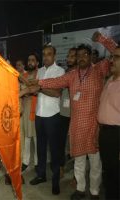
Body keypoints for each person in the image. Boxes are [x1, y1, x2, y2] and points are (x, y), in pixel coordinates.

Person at [30, 32, 117, 200]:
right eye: (79, 55)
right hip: (76, 125)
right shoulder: (71, 75)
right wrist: (39, 82)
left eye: (85, 54)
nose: (82, 57)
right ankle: (80, 189)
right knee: (78, 159)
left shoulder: (99, 69)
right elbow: (56, 82)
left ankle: (94, 192)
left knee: (95, 162)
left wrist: (101, 39)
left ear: (91, 56)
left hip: (93, 126)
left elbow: (116, 52)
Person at [29, 45, 65, 195]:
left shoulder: (60, 72)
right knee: (41, 148)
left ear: (54, 56)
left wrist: (39, 88)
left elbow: (57, 93)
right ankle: (41, 175)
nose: (46, 57)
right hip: (39, 115)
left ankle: (55, 180)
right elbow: (35, 90)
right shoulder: (41, 71)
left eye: (49, 54)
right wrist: (30, 88)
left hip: (53, 116)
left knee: (55, 150)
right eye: (44, 55)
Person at [97, 45, 120, 200]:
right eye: (112, 57)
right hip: (105, 134)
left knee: (117, 176)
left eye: (117, 57)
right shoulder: (110, 80)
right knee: (108, 175)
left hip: (117, 136)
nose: (112, 60)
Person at [59, 47, 77, 178]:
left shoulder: (82, 74)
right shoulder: (64, 73)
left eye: (72, 56)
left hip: (77, 115)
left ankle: (77, 176)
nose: (69, 59)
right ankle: (61, 167)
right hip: (63, 114)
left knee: (75, 145)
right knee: (61, 143)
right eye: (68, 56)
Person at [20, 53, 39, 172]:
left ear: (37, 63)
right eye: (29, 60)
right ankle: (25, 161)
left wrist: (28, 89)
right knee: (26, 137)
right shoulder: (24, 75)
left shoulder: (40, 74)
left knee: (37, 139)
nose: (30, 62)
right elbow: (23, 90)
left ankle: (37, 163)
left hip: (37, 110)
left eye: (33, 60)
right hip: (25, 109)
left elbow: (35, 90)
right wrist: (29, 89)